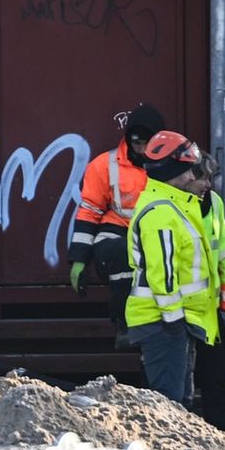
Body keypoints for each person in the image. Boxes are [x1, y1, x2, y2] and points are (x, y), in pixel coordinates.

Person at [125, 131, 220, 405]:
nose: (193, 177)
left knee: (178, 402)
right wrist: (174, 321)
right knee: (170, 404)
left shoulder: (170, 207)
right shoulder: (162, 213)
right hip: (164, 323)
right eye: (187, 171)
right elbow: (162, 275)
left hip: (171, 321)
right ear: (172, 172)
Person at [69, 103, 165, 348]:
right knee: (123, 254)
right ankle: (125, 325)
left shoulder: (172, 167)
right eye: (137, 142)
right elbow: (89, 211)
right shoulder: (104, 166)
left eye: (147, 143)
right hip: (116, 233)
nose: (141, 149)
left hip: (157, 236)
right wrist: (79, 260)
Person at [185, 152, 225, 432]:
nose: (207, 183)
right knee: (181, 381)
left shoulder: (215, 204)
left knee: (217, 377)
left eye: (210, 177)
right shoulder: (174, 207)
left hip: (209, 310)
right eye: (202, 177)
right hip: (179, 309)